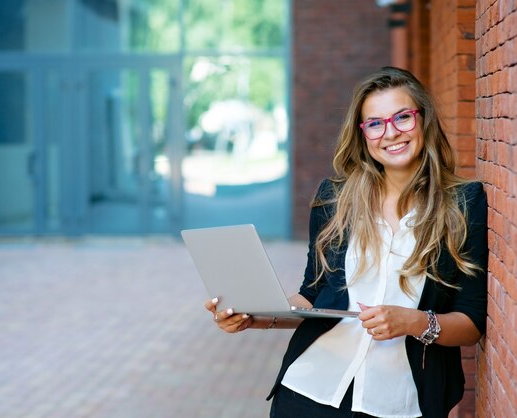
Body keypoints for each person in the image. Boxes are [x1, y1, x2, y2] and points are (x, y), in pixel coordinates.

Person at [204, 66, 488, 418]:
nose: (391, 133)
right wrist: (256, 317)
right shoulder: (334, 200)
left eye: (403, 117)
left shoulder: (463, 203)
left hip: (401, 403)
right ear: (363, 134)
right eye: (375, 123)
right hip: (307, 391)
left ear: (424, 120)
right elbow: (312, 295)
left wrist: (413, 322)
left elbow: (472, 323)